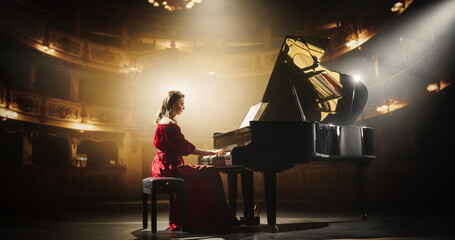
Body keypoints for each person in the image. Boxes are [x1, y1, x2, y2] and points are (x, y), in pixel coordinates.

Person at [152, 90, 236, 233]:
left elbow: (184, 147)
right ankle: (211, 219)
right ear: (173, 105)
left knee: (207, 172)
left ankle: (209, 217)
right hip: (169, 167)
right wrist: (211, 152)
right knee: (211, 172)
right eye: (181, 104)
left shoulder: (164, 121)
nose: (184, 108)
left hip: (161, 165)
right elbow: (188, 148)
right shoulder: (170, 125)